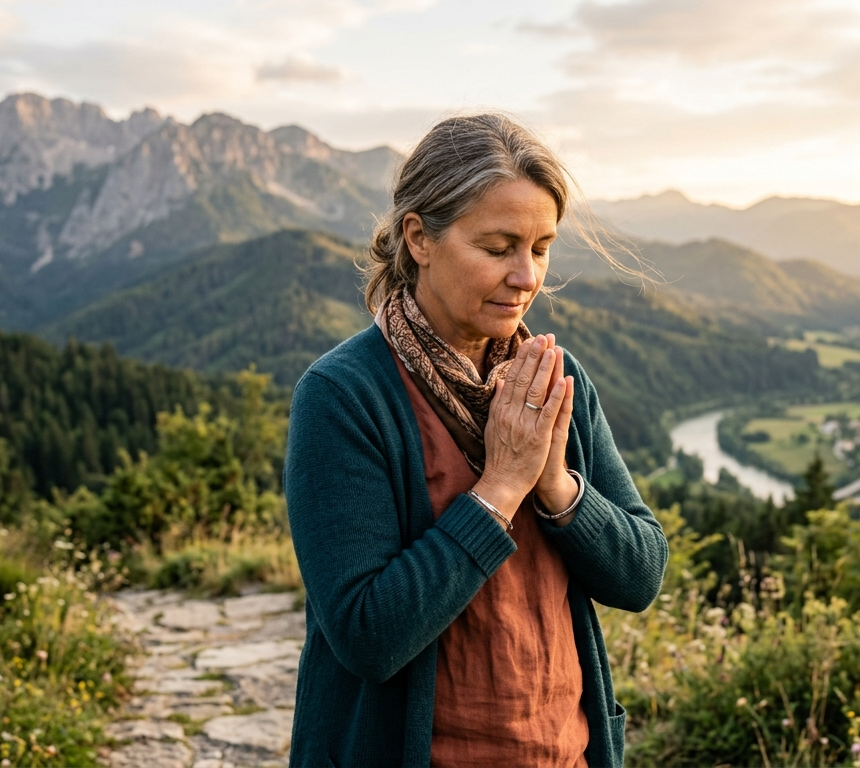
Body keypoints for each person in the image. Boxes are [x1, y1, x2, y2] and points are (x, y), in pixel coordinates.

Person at [284, 113, 668, 767]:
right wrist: (500, 489)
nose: (527, 275)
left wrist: (556, 485)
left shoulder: (554, 379)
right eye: (498, 248)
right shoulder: (344, 395)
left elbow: (640, 575)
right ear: (419, 238)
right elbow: (366, 635)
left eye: (541, 248)